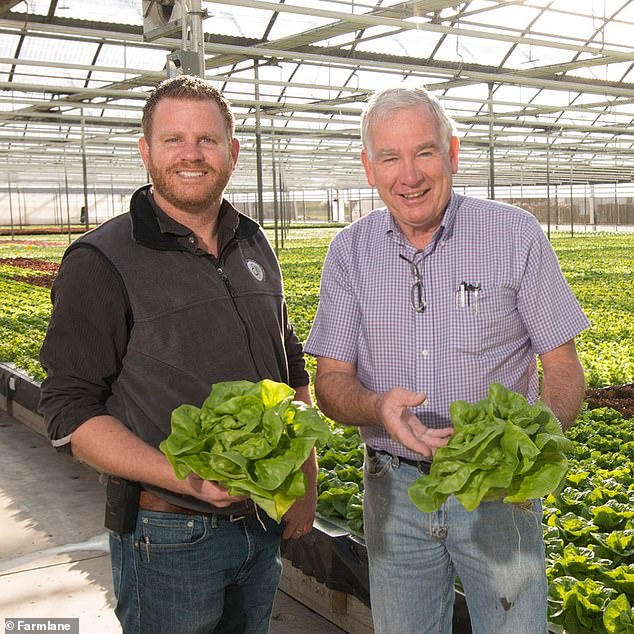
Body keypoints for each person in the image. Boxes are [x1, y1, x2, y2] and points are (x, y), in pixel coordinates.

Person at [305, 85, 589, 634]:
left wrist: (530, 449)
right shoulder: (349, 252)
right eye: (390, 157)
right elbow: (332, 383)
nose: (409, 175)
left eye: (425, 152)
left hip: (497, 493)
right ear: (369, 168)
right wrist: (376, 406)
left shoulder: (513, 235)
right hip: (394, 489)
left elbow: (563, 366)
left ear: (452, 154)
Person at [39, 75, 317, 634]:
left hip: (262, 523)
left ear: (232, 152)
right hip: (166, 533)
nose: (191, 154)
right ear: (146, 151)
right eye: (173, 140)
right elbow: (69, 409)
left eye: (208, 140)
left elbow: (287, 366)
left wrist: (305, 477)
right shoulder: (101, 259)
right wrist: (182, 475)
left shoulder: (254, 242)